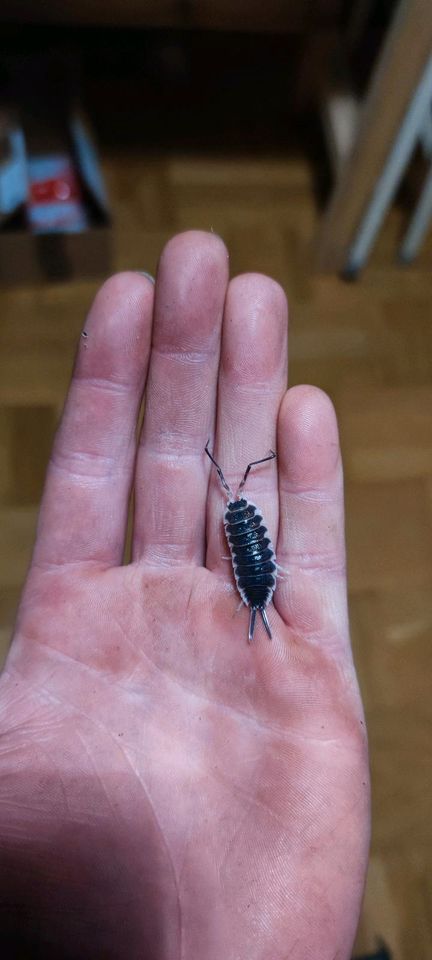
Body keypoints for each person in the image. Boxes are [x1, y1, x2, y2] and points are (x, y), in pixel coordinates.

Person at [0, 231, 370, 959]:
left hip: (253, 579)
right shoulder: (243, 524)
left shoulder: (242, 534)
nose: (239, 509)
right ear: (241, 531)